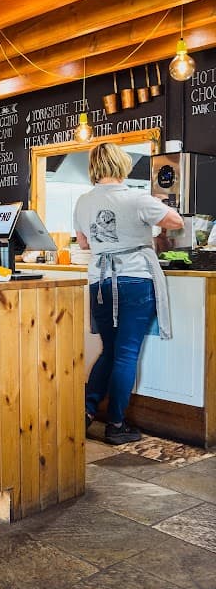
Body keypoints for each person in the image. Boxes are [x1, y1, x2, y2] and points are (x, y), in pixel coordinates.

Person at [73, 142, 184, 445]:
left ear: (94, 167)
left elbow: (83, 244)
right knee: (125, 353)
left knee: (109, 350)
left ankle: (84, 413)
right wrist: (159, 209)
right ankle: (116, 425)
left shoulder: (83, 201)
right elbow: (176, 222)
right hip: (134, 278)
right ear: (121, 165)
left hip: (100, 282)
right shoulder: (136, 197)